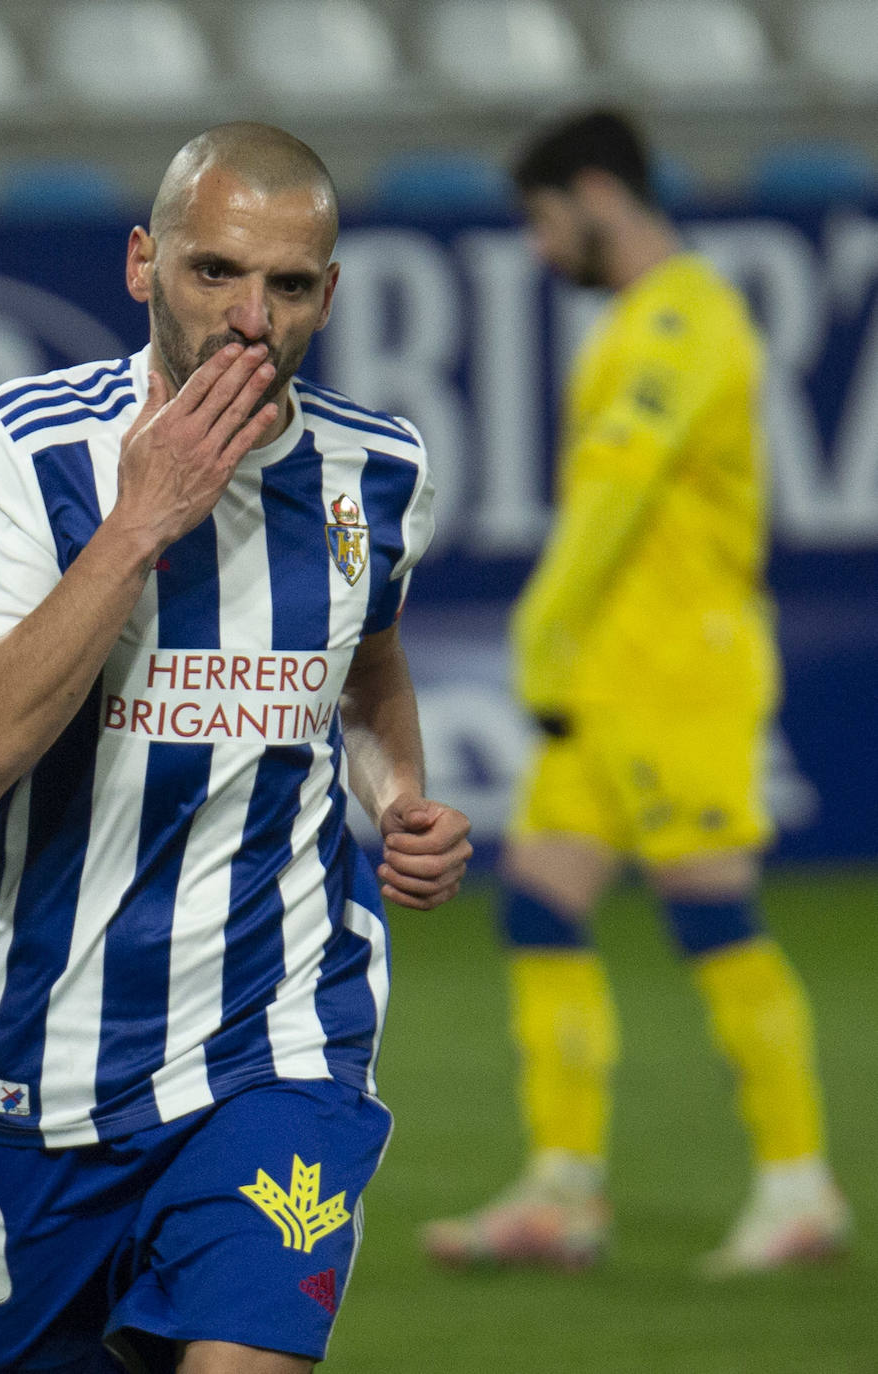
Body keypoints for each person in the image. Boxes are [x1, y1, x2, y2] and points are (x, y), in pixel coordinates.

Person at [0, 121, 472, 1374]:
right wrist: (139, 522)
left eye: (284, 286)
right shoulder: (25, 452)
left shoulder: (374, 471)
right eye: (213, 270)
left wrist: (401, 794)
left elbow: (367, 658)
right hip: (40, 1078)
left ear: (325, 294)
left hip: (278, 1046)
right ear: (140, 265)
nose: (247, 318)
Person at [421, 110, 849, 1277]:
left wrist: (541, 626)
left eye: (540, 217)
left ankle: (796, 1183)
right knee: (538, 900)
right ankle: (562, 1191)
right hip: (610, 675)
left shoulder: (681, 315)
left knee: (711, 915)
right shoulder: (638, 320)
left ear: (595, 193)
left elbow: (616, 492)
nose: (537, 244)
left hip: (677, 668)